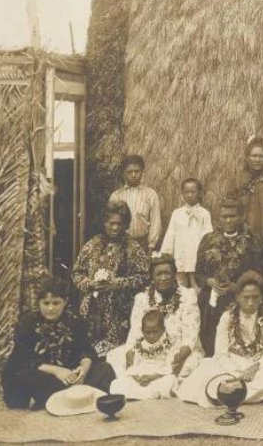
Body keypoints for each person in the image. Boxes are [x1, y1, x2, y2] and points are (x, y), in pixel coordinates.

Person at [2, 277, 114, 410]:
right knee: (25, 378)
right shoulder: (28, 323)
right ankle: (67, 397)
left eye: (56, 303)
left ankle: (71, 397)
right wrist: (57, 371)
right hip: (44, 374)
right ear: (39, 302)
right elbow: (22, 358)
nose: (50, 308)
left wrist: (84, 368)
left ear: (65, 302)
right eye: (46, 303)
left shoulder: (75, 322)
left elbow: (86, 350)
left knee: (104, 369)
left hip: (70, 375)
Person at [178, 271, 263, 407]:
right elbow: (220, 354)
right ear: (237, 297)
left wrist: (255, 367)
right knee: (206, 373)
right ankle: (262, 394)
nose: (251, 302)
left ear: (261, 298)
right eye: (246, 297)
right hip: (232, 362)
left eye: (255, 297)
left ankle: (227, 396)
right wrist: (237, 373)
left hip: (259, 363)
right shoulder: (228, 317)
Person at [195, 198, 263, 356]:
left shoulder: (253, 242)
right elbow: (198, 272)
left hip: (241, 298)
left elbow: (260, 273)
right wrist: (209, 281)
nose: (228, 220)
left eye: (232, 216)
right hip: (213, 298)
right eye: (224, 216)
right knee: (211, 338)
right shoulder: (208, 240)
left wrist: (238, 286)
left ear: (240, 217)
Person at [71, 200, 148, 355]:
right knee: (89, 354)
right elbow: (76, 273)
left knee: (116, 355)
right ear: (104, 222)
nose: (115, 228)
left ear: (126, 224)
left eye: (119, 224)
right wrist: (90, 284)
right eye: (111, 223)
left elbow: (144, 277)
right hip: (92, 311)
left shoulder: (133, 248)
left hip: (120, 313)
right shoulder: (92, 245)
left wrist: (118, 283)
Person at [106, 253, 201, 379]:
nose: (163, 278)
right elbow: (135, 332)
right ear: (152, 276)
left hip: (179, 348)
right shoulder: (142, 299)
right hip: (148, 350)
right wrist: (131, 361)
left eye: (167, 273)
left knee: (189, 366)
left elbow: (191, 335)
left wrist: (177, 360)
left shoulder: (187, 296)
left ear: (175, 274)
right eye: (158, 274)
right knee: (116, 358)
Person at [111, 310, 182, 400]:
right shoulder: (139, 344)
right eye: (148, 332)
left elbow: (169, 365)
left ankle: (142, 394)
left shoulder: (167, 343)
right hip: (142, 374)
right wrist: (136, 377)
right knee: (118, 383)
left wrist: (152, 377)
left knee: (169, 381)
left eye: (155, 332)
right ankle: (143, 394)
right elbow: (135, 364)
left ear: (163, 330)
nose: (151, 336)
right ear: (142, 331)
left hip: (158, 375)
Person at [227, 135, 263, 245]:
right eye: (254, 156)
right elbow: (230, 209)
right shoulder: (238, 180)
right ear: (247, 158)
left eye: (261, 156)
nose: (257, 160)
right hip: (243, 238)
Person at [160, 178, 213, 288]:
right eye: (186, 192)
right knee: (180, 286)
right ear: (182, 194)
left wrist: (206, 255)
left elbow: (208, 236)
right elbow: (171, 235)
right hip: (181, 255)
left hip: (196, 255)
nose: (189, 195)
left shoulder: (204, 214)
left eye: (193, 192)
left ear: (199, 193)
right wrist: (165, 255)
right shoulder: (177, 213)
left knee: (196, 287)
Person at [109, 154, 162, 252]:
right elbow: (111, 221)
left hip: (143, 244)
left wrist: (151, 245)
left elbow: (156, 221)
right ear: (123, 173)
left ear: (142, 172)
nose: (133, 175)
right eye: (129, 172)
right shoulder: (116, 196)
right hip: (121, 244)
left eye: (137, 171)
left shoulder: (150, 194)